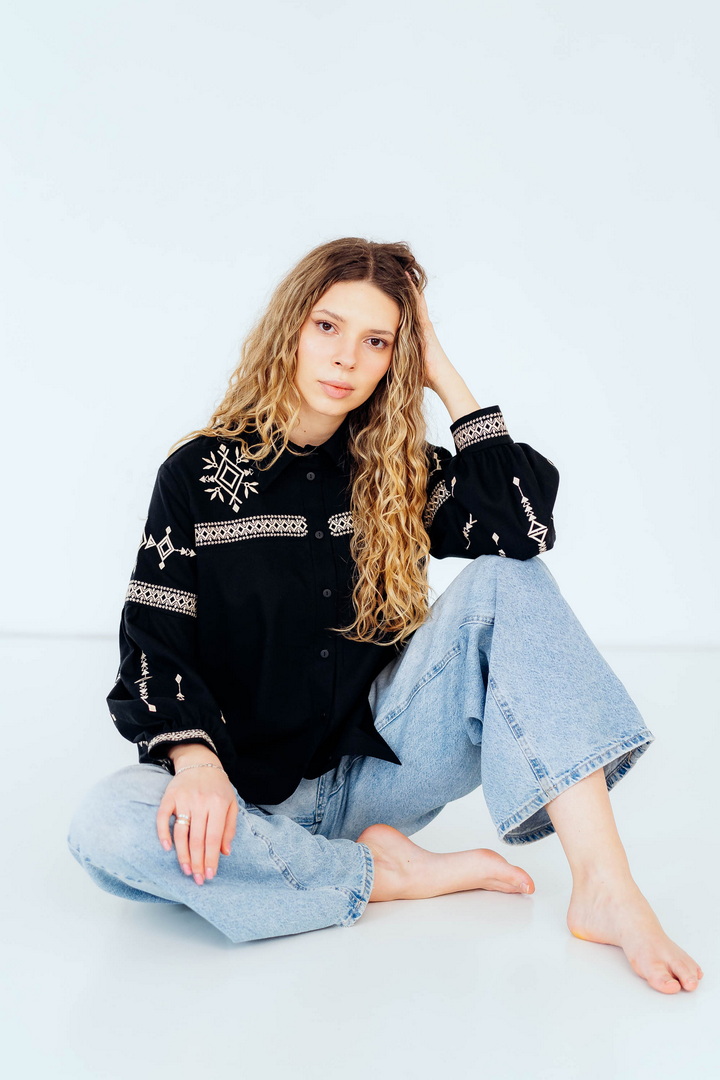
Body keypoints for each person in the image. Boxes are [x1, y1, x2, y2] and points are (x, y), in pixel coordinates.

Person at [67, 237, 702, 994]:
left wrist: (443, 373)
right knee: (106, 825)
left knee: (509, 580)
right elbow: (153, 645)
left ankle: (606, 887)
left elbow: (523, 529)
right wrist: (195, 764)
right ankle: (383, 874)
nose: (346, 358)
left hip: (380, 774)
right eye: (328, 327)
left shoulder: (396, 469)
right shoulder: (197, 476)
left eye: (378, 342)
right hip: (235, 799)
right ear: (290, 328)